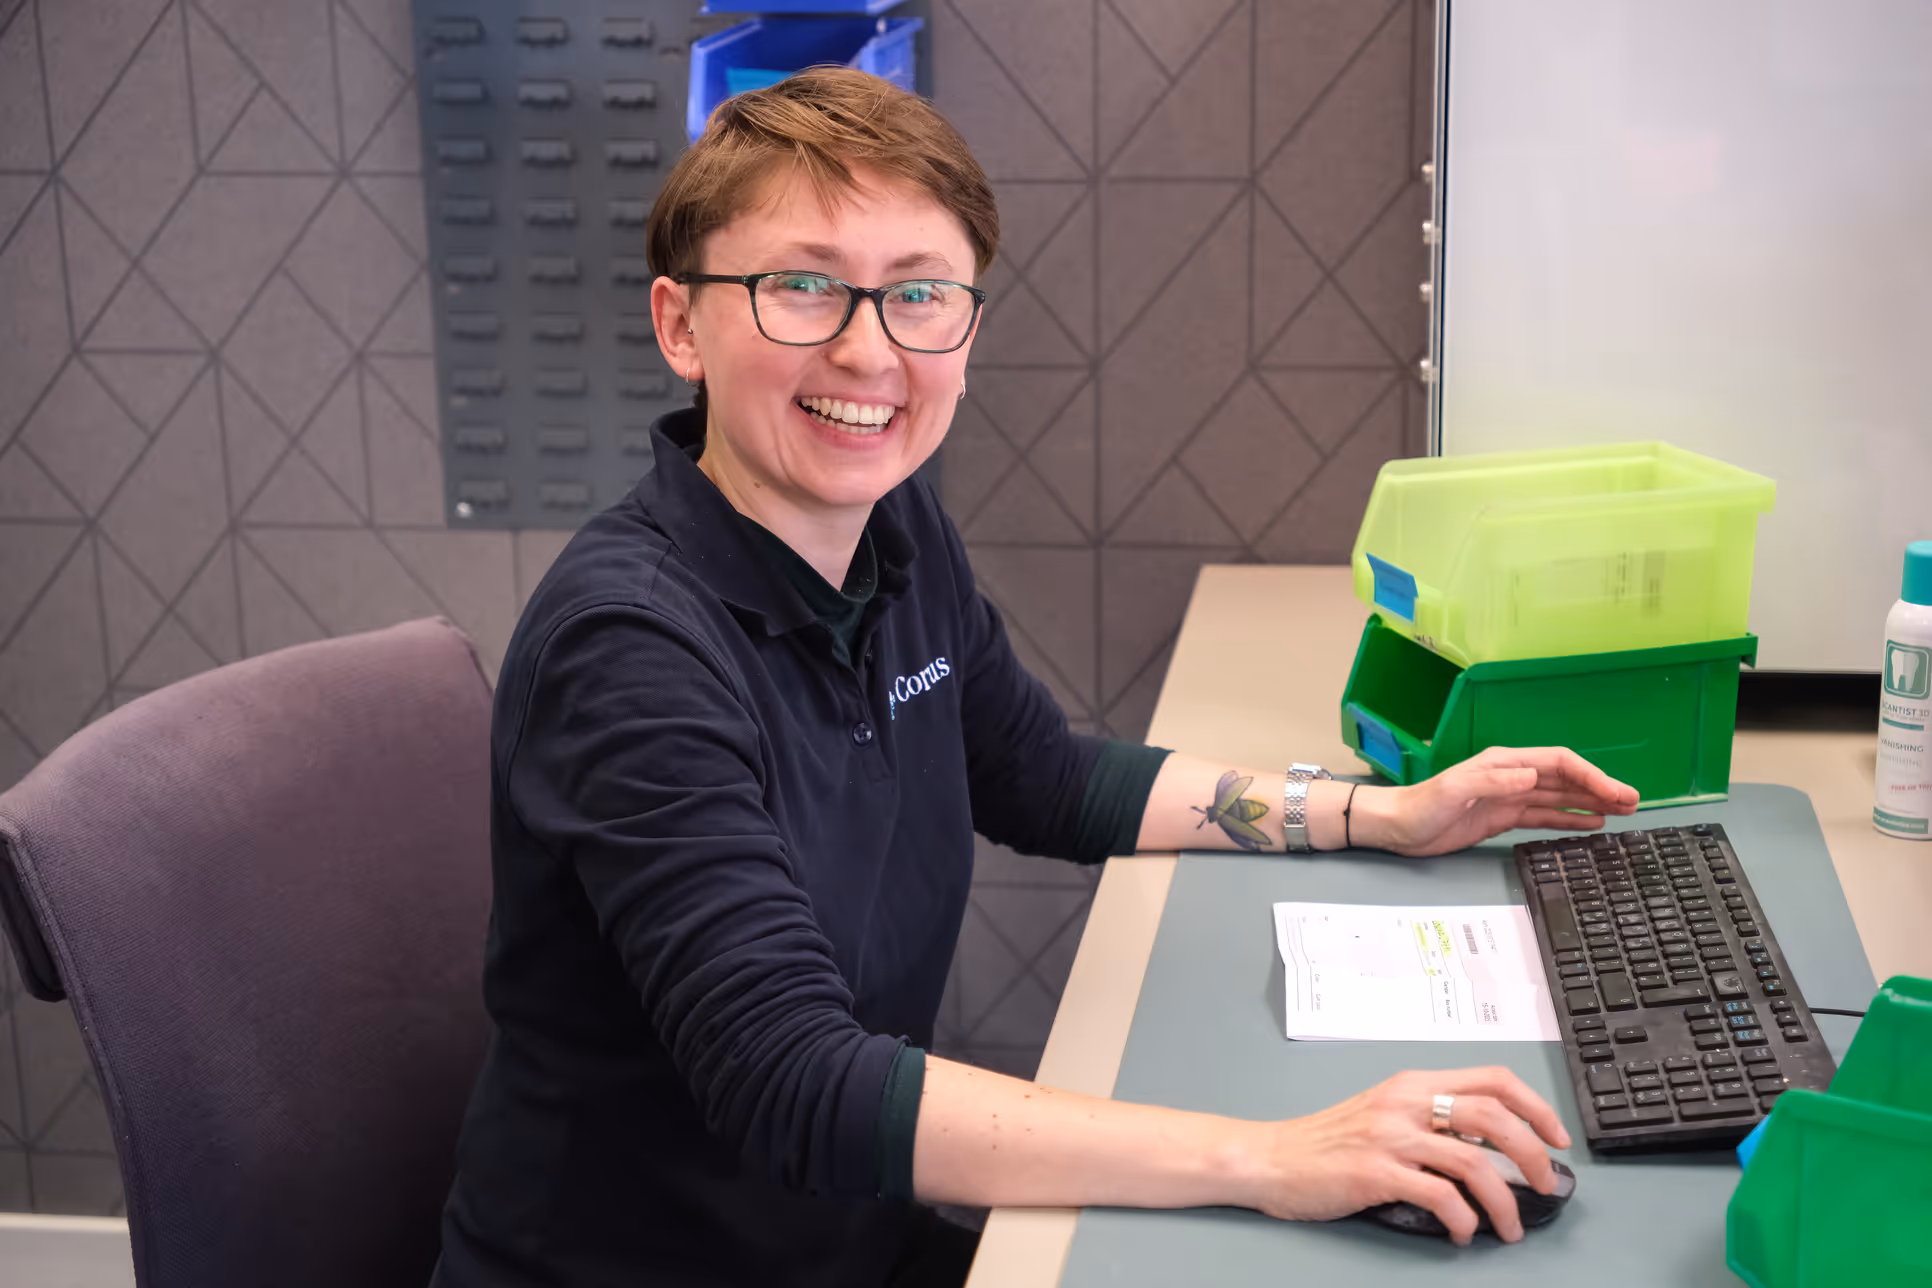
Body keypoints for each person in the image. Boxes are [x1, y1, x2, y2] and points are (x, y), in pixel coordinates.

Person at [428, 67, 1639, 1288]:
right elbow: (789, 1076)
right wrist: (1274, 1156)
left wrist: (1382, 815)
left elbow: (1042, 778)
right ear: (681, 324)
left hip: (843, 1233)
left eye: (920, 294)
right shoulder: (630, 649)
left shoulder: (894, 536)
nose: (869, 347)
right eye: (801, 286)